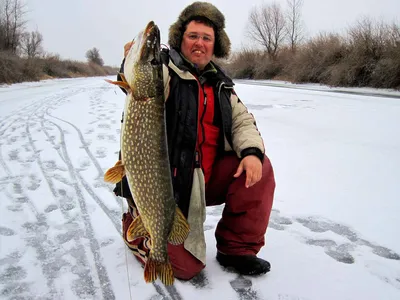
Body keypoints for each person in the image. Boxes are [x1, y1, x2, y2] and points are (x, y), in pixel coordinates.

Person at [113, 1, 275, 280]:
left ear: (215, 44)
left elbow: (242, 122)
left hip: (204, 179)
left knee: (260, 167)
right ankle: (137, 227)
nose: (199, 43)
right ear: (181, 39)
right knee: (186, 269)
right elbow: (142, 78)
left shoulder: (221, 85)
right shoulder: (164, 70)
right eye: (193, 36)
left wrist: (250, 152)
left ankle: (236, 249)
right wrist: (130, 61)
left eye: (206, 38)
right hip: (168, 183)